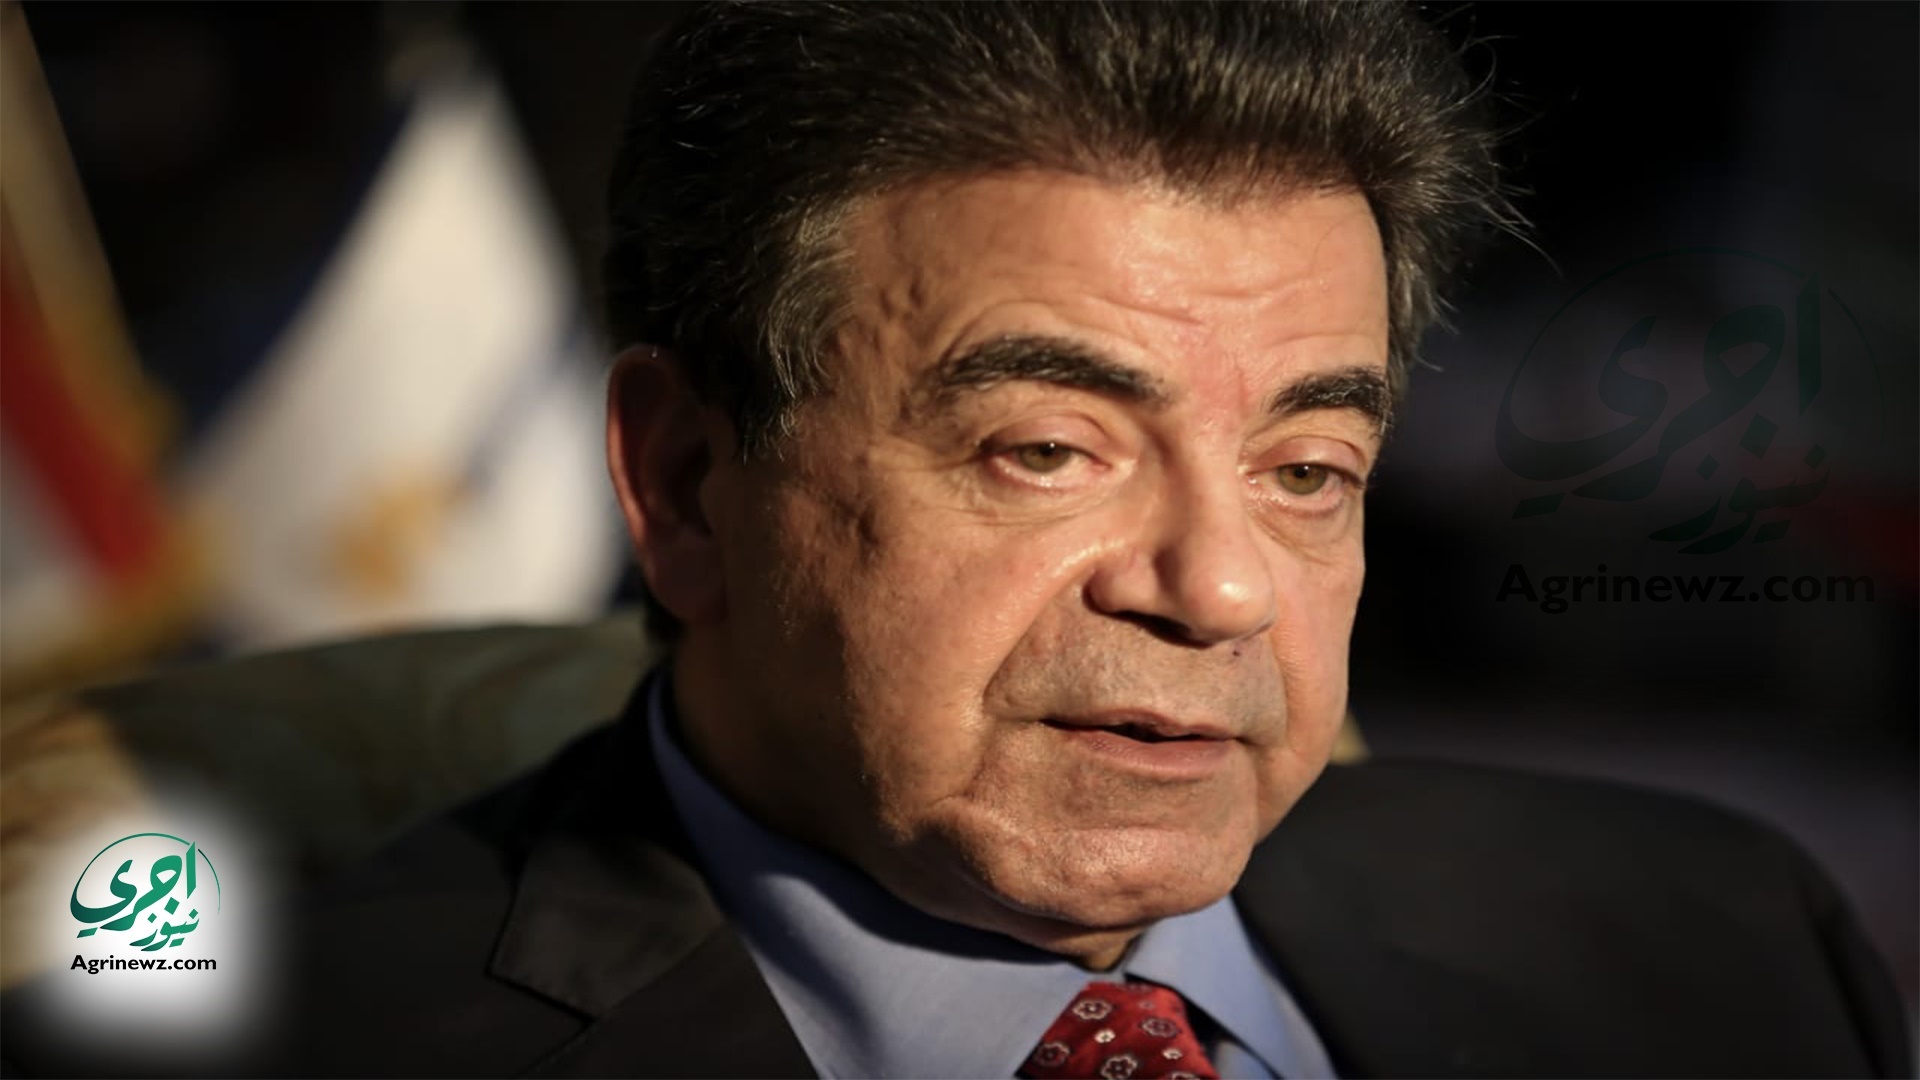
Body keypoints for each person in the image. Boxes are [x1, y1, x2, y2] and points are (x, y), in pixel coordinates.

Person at [15, 3, 1905, 1078]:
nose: (1218, 587)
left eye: (1309, 469)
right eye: (1049, 451)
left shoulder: (1723, 947)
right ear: (685, 481)